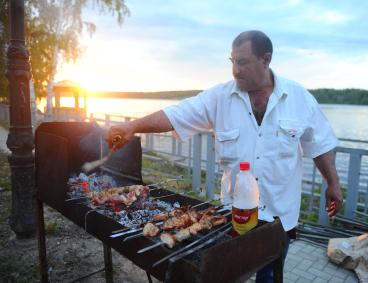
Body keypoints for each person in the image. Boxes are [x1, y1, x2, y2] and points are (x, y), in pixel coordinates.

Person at [106, 30, 343, 283]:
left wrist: (333, 183)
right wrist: (134, 126)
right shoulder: (220, 97)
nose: (235, 70)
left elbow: (319, 143)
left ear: (266, 59)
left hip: (279, 219)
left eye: (242, 62)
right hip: (234, 215)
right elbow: (177, 114)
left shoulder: (299, 98)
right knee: (228, 275)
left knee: (270, 278)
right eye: (232, 62)